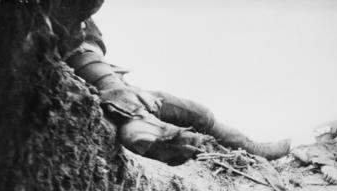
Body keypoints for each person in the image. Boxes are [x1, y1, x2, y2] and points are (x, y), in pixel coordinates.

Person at [63, 17, 291, 165]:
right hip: (76, 70)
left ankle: (136, 118)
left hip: (96, 73)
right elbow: (79, 40)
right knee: (199, 114)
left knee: (195, 112)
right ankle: (137, 120)